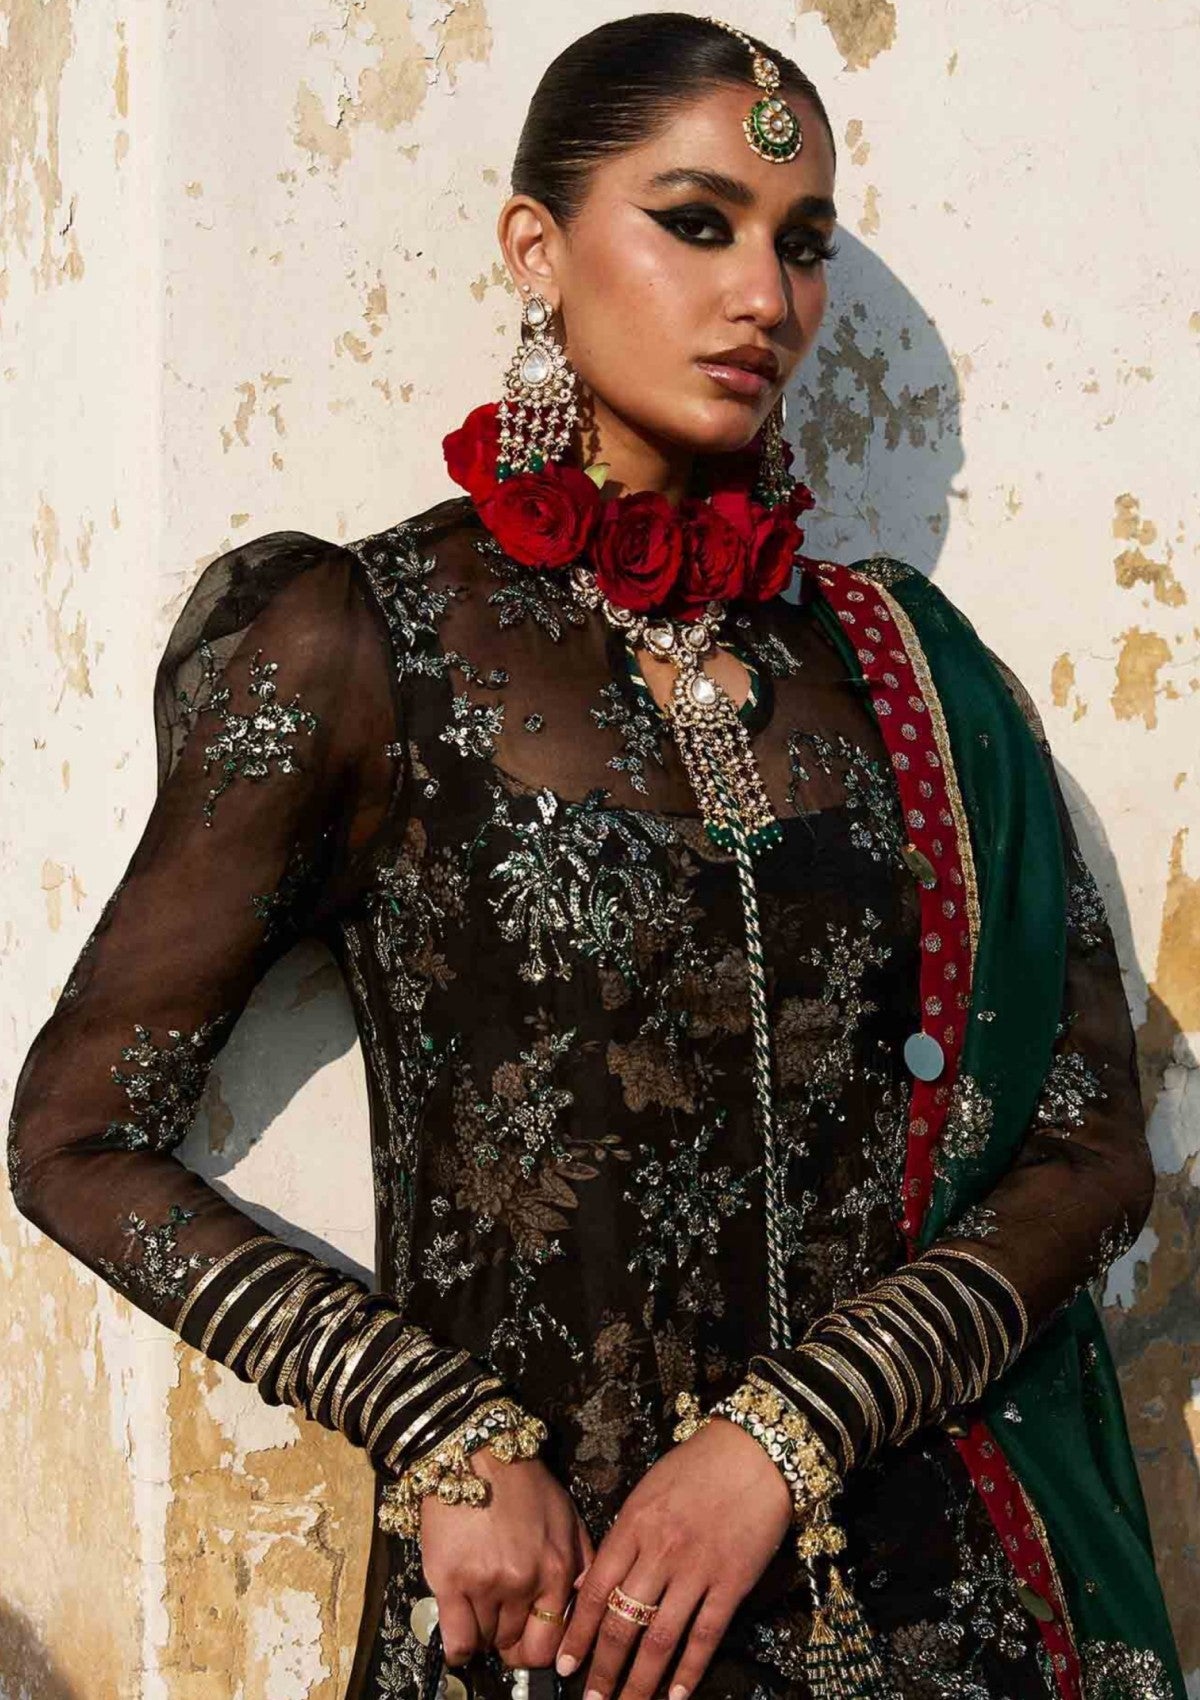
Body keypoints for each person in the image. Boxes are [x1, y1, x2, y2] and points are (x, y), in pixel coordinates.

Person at [6, 13, 1186, 1700]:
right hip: (548, 1621)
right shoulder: (362, 638)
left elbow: (1086, 1143)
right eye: (696, 223)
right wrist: (428, 1427)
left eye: (801, 246)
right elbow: (74, 1139)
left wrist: (787, 1435)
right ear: (535, 248)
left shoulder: (911, 673)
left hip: (931, 1599)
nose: (764, 297)